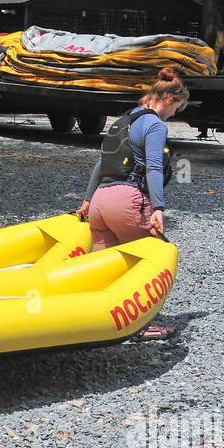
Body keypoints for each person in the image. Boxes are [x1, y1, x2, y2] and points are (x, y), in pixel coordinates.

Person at [76, 67, 189, 339]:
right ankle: (143, 324)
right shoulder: (154, 125)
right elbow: (152, 168)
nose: (174, 115)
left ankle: (98, 322)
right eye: (177, 109)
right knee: (149, 258)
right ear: (168, 100)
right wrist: (159, 208)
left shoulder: (121, 121)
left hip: (100, 203)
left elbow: (101, 163)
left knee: (105, 268)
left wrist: (88, 199)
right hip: (126, 200)